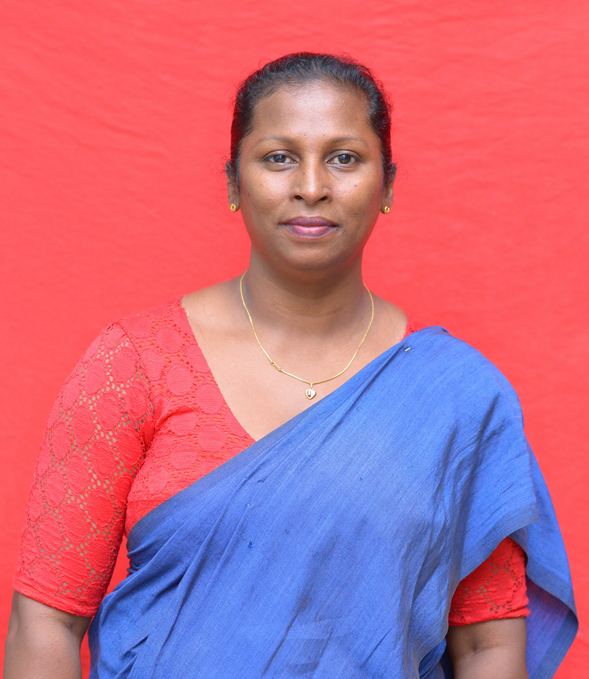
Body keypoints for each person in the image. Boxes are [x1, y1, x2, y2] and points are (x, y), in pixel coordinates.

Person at [4, 52, 577, 678]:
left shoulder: (458, 397)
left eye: (344, 158)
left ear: (387, 185)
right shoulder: (134, 364)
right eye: (279, 157)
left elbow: (487, 644)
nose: (311, 186)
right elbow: (46, 622)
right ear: (233, 183)